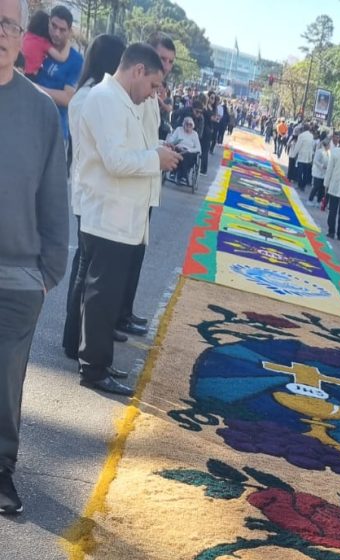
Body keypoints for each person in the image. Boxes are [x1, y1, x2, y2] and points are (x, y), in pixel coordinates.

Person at [76, 43, 181, 397]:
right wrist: (155, 159)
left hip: (122, 219)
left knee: (108, 296)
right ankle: (93, 367)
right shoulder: (106, 99)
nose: (154, 94)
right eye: (152, 85)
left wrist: (155, 154)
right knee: (101, 296)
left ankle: (99, 361)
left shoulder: (124, 100)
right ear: (138, 70)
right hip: (108, 217)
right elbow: (116, 161)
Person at [0, 0, 70, 514]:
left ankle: (1, 469)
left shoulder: (41, 111)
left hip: (16, 276)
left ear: (24, 34)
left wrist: (47, 273)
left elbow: (53, 198)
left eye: (8, 24)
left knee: (5, 382)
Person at [62, 33, 126, 360]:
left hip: (86, 186)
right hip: (90, 189)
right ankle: (74, 338)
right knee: (85, 267)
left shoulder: (87, 94)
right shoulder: (93, 97)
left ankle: (73, 337)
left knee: (83, 265)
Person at [119, 31, 176, 339]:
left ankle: (123, 311)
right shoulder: (136, 90)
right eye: (162, 59)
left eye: (169, 61)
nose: (165, 66)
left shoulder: (155, 90)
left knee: (136, 253)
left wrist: (162, 147)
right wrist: (155, 154)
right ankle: (116, 315)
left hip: (147, 177)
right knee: (123, 256)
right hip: (135, 178)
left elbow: (148, 137)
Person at [34, 4, 82, 147]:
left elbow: (68, 98)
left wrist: (35, 88)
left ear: (70, 31)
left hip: (56, 133)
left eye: (62, 30)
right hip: (30, 124)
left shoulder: (76, 60)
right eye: (54, 26)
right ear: (48, 22)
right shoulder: (38, 45)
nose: (56, 33)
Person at [20, 9, 68, 79]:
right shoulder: (43, 43)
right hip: (30, 75)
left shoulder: (26, 35)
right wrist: (68, 43)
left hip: (20, 70)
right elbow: (61, 58)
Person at [166, 116, 202, 183]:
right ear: (184, 124)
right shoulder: (179, 130)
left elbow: (198, 149)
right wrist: (176, 145)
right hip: (178, 148)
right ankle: (174, 172)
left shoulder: (194, 134)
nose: (188, 126)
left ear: (193, 126)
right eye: (187, 124)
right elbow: (171, 139)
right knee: (176, 153)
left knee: (186, 157)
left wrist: (188, 150)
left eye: (190, 125)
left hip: (188, 152)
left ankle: (182, 175)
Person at [291, 123, 314, 191]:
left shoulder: (301, 136)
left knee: (299, 172)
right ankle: (303, 186)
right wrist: (311, 157)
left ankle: (300, 184)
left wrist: (294, 154)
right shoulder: (311, 136)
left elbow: (298, 146)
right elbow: (311, 147)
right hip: (308, 157)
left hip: (301, 156)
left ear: (303, 129)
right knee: (305, 173)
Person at [308, 136, 330, 206]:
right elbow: (315, 161)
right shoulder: (320, 151)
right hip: (318, 172)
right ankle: (310, 199)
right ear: (326, 145)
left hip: (324, 173)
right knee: (316, 187)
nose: (330, 146)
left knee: (322, 189)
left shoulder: (329, 152)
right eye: (329, 144)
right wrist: (322, 166)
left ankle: (318, 201)